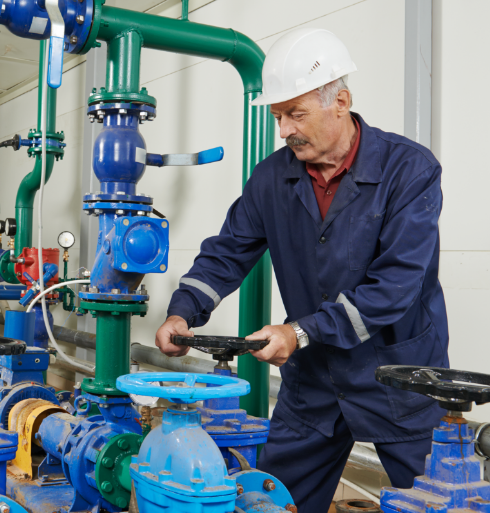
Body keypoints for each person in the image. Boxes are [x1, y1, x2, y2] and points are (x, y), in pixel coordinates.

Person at [154, 27, 448, 511]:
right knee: (271, 501)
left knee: (434, 501)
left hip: (398, 378)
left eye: (296, 114)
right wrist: (182, 312)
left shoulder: (410, 172)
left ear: (341, 101)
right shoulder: (272, 177)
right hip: (314, 380)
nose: (284, 129)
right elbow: (228, 251)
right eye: (278, 116)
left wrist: (299, 332)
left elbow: (395, 286)